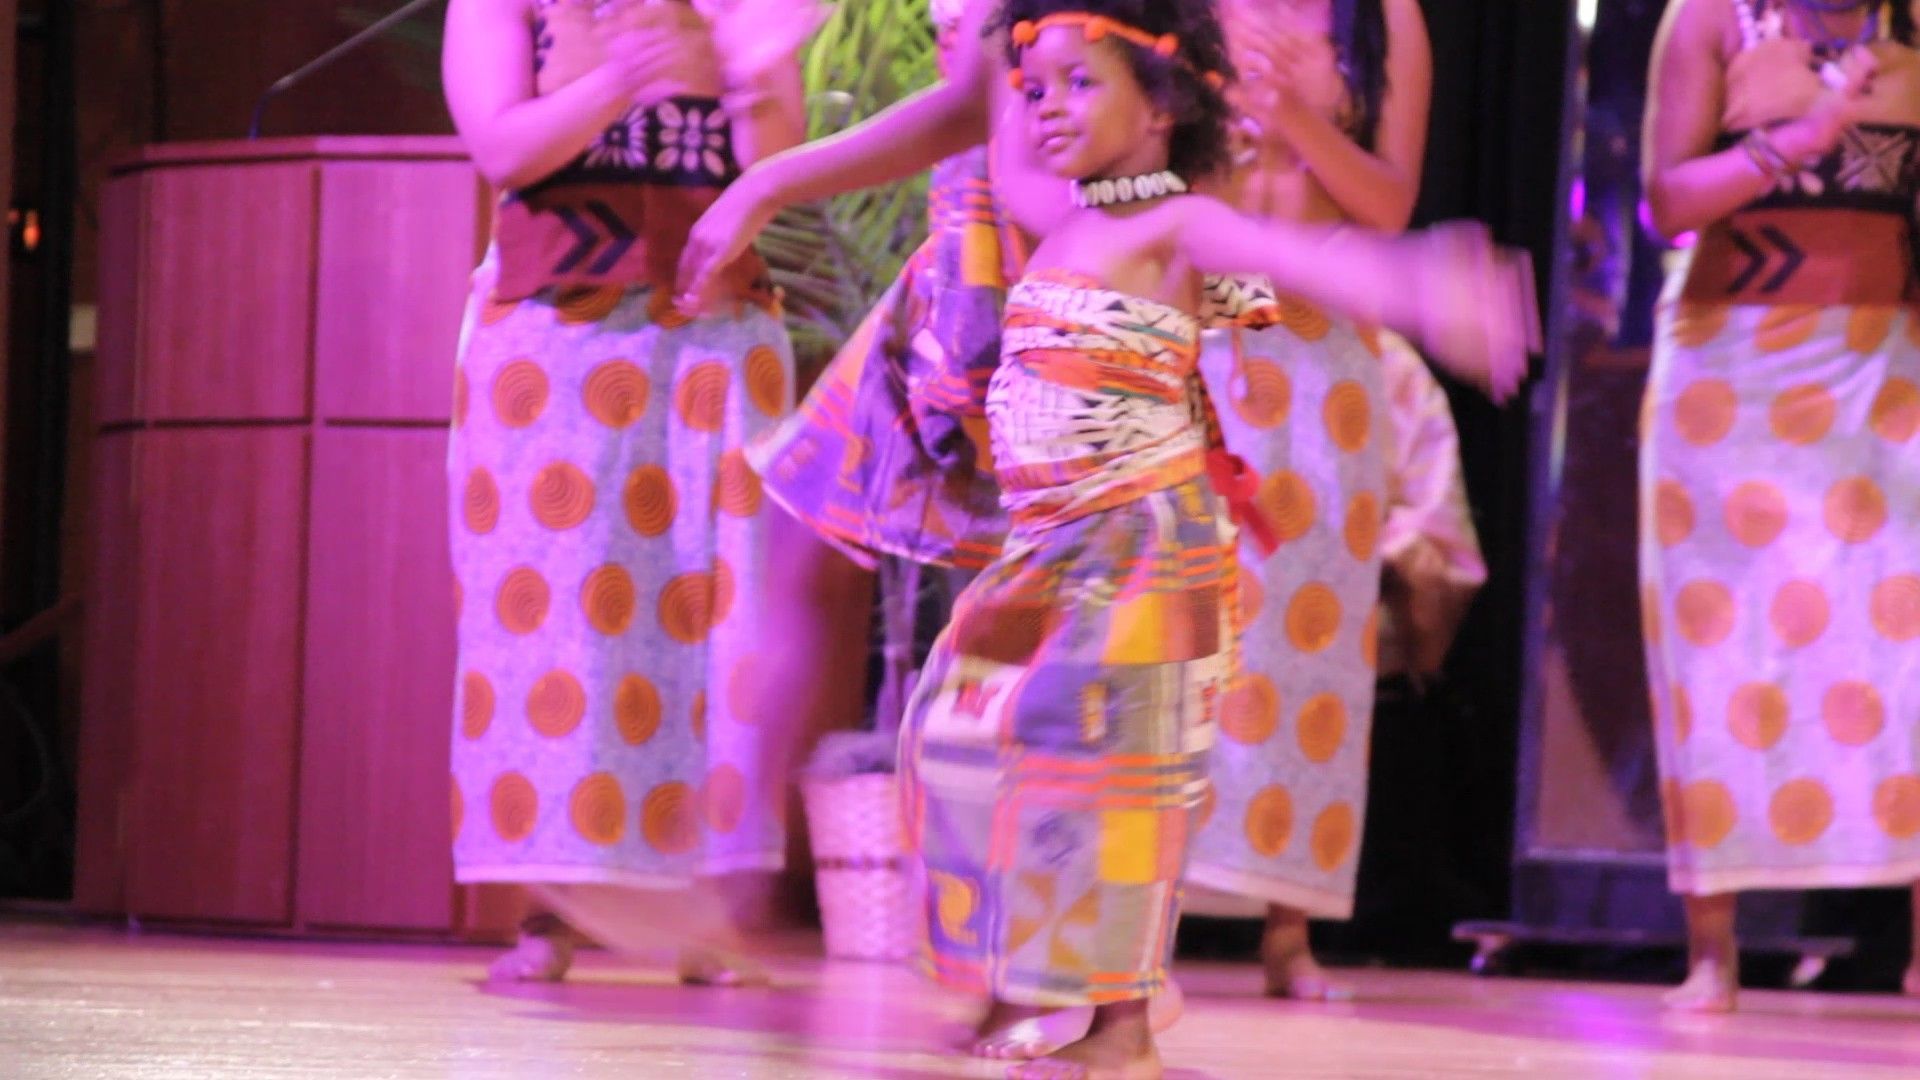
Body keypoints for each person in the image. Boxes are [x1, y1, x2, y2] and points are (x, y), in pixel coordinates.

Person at [825, 0, 1530, 1074]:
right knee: (961, 740)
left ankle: (1122, 1032)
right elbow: (993, 126)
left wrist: (1428, 289)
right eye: (1037, 89)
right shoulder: (1054, 214)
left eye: (1081, 84)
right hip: (1049, 550)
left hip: (1143, 549)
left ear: (1160, 107)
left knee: (1117, 779)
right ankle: (1020, 986)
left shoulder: (1179, 223)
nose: (1047, 107)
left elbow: (1304, 266)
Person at [440, 0, 867, 986]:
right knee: (556, 630)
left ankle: (706, 913)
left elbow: (773, 163)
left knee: (717, 623)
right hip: (553, 335)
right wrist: (629, 77)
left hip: (714, 330)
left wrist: (734, 72)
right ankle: (548, 911)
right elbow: (504, 149)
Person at [1641, 0, 1920, 1011]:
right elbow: (1666, 201)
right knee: (1723, 655)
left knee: (1906, 657)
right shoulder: (1711, 17)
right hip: (1733, 381)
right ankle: (1712, 953)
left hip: (1883, 366)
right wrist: (1795, 142)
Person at [1182, 0, 1438, 1000]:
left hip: (1326, 359)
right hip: (1197, 329)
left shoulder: (1387, 17)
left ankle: (1288, 932)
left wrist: (1292, 115)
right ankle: (1138, 910)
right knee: (1178, 629)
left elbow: (1388, 205)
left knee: (1306, 648)